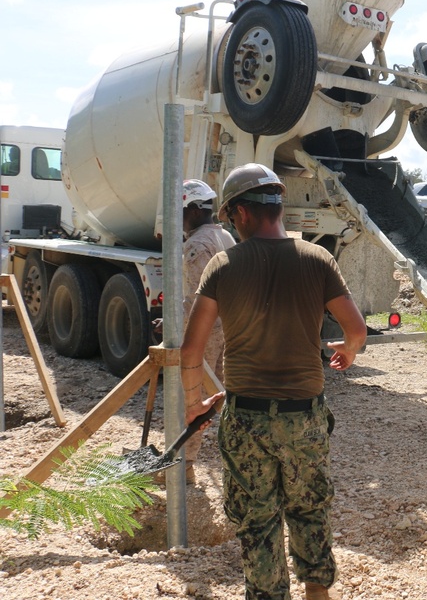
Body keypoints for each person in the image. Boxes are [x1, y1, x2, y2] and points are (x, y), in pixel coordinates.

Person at [181, 163, 367, 600]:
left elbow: (191, 353)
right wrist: (348, 352)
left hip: (246, 419)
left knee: (258, 520)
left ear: (240, 213)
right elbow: (356, 330)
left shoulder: (223, 267)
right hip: (304, 417)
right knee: (310, 508)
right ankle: (317, 594)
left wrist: (195, 403)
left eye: (228, 217)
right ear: (278, 206)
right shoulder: (317, 260)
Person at [169, 180, 236, 483]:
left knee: (192, 396)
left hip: (207, 331)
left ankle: (183, 465)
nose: (178, 219)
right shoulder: (226, 237)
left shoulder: (197, 245)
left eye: (181, 212)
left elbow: (197, 300)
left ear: (194, 211)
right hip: (228, 327)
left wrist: (173, 323)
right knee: (221, 394)